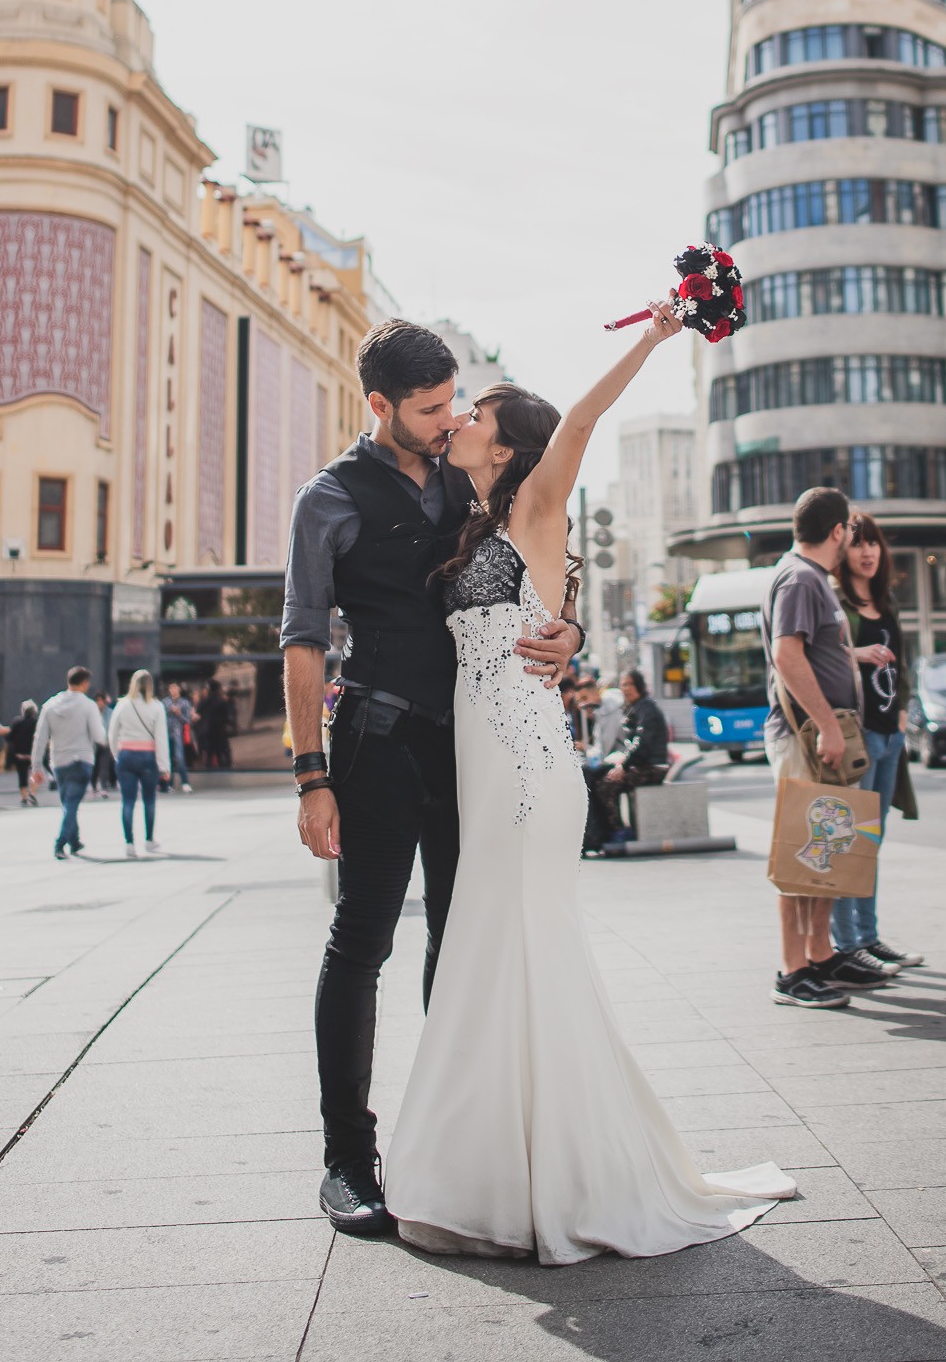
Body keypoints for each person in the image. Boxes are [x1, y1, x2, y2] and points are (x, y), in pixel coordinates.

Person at [384, 303, 795, 1262]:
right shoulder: (476, 518)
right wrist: (570, 634)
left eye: (476, 413)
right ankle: (495, 1178)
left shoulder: (533, 502)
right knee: (494, 955)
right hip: (490, 767)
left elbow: (577, 423)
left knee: (520, 952)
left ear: (507, 442)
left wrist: (653, 336)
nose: (461, 423)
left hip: (527, 772)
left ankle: (548, 1183)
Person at [282, 320, 581, 1237]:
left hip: (475, 754)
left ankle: (451, 1149)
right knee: (361, 941)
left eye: (455, 400)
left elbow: (545, 570)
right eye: (429, 407)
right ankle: (346, 1160)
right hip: (374, 742)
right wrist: (309, 776)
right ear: (379, 406)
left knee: (462, 948)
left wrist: (570, 638)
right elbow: (300, 639)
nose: (449, 418)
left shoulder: (471, 475)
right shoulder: (327, 498)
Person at [760, 489, 887, 1006]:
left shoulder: (811, 579)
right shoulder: (800, 577)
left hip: (819, 735)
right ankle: (792, 970)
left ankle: (818, 953)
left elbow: (813, 649)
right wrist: (828, 727)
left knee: (825, 848)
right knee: (801, 851)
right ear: (838, 531)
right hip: (806, 737)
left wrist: (850, 655)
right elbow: (787, 656)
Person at [830, 513, 922, 972]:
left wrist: (904, 708)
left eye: (873, 544)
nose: (867, 552)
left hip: (889, 734)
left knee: (872, 839)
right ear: (841, 549)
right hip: (858, 734)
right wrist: (856, 653)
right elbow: (813, 654)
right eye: (856, 543)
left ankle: (869, 936)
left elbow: (903, 662)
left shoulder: (886, 602)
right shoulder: (835, 599)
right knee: (850, 841)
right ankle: (846, 944)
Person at [588, 667, 670, 851]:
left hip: (654, 766)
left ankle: (619, 832)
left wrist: (623, 766)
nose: (626, 688)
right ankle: (614, 829)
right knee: (603, 779)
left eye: (630, 684)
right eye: (623, 685)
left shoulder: (647, 709)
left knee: (606, 784)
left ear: (640, 686)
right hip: (641, 764)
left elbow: (642, 744)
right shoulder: (634, 708)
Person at [31, 668, 107, 859]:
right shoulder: (89, 706)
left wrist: (36, 766)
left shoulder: (50, 705)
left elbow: (40, 738)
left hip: (58, 762)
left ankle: (74, 841)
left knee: (68, 802)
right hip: (81, 760)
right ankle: (60, 843)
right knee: (71, 804)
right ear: (84, 684)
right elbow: (99, 736)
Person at [109, 669, 172, 856]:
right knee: (149, 801)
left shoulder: (122, 705)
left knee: (127, 801)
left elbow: (112, 733)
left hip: (126, 755)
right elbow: (161, 738)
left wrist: (117, 754)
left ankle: (129, 843)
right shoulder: (156, 706)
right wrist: (164, 766)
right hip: (148, 757)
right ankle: (149, 840)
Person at [7, 700, 39, 806]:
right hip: (33, 754)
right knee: (34, 773)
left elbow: (9, 737)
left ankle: (24, 797)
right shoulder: (36, 722)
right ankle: (32, 794)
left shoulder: (16, 722)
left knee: (22, 776)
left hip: (20, 754)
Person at [164, 683, 195, 793]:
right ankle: (168, 784)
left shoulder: (185, 703)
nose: (173, 690)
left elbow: (188, 721)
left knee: (179, 757)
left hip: (178, 733)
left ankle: (185, 782)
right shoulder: (165, 702)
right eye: (171, 688)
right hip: (166, 733)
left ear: (179, 689)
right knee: (168, 759)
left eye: (175, 688)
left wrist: (179, 714)